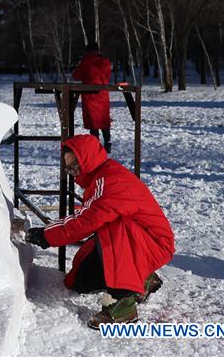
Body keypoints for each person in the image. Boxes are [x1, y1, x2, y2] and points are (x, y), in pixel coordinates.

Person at [25, 134, 174, 329]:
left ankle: (122, 303)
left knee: (114, 228)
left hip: (153, 243)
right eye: (69, 168)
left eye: (75, 165)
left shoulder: (112, 181)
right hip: (137, 244)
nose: (73, 173)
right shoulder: (99, 179)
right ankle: (143, 279)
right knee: (80, 280)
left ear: (88, 159)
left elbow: (86, 220)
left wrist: (46, 235)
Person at [72, 41, 113, 152]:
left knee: (93, 121)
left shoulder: (86, 61)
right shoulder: (105, 62)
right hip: (103, 95)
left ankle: (95, 145)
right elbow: (107, 75)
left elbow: (76, 75)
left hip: (90, 96)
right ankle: (108, 141)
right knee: (103, 120)